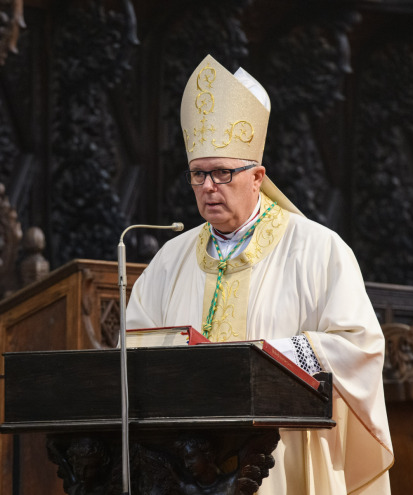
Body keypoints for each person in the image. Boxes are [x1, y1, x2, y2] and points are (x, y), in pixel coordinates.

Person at [126, 55, 394, 494]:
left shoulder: (317, 249)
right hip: (183, 468)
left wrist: (270, 357)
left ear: (258, 177)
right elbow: (131, 349)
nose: (209, 186)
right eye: (198, 174)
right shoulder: (169, 261)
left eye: (222, 173)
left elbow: (359, 347)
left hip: (281, 464)